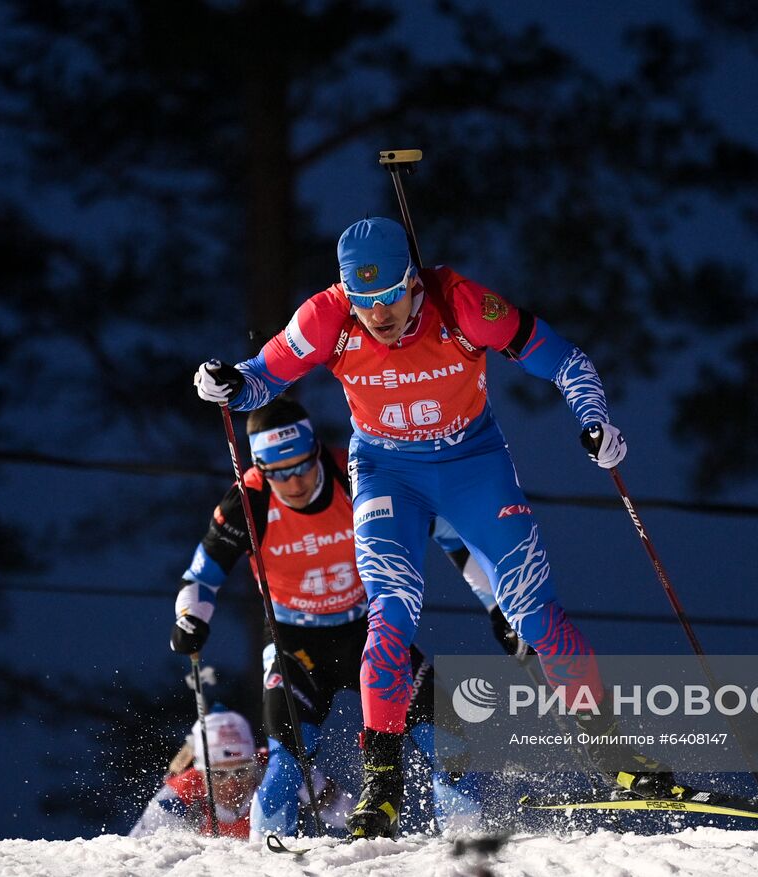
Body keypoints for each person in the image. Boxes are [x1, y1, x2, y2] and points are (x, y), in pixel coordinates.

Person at [193, 216, 681, 839]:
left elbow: (566, 360)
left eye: (390, 298)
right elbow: (261, 376)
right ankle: (384, 786)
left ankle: (614, 757)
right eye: (364, 304)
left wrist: (594, 422)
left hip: (472, 466)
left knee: (534, 614)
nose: (378, 317)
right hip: (386, 471)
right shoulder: (325, 316)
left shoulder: (464, 305)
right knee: (390, 616)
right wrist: (228, 381)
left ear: (412, 282)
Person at [169, 395, 520, 837]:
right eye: (278, 473)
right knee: (284, 768)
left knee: (448, 745)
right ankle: (257, 866)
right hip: (295, 646)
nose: (294, 483)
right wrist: (190, 618)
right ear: (260, 468)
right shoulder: (249, 500)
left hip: (369, 636)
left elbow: (453, 540)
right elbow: (200, 578)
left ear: (317, 449)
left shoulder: (357, 474)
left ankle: (466, 849)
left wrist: (498, 608)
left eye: (302, 465)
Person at [128, 708, 264, 838]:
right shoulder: (180, 794)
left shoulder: (271, 774)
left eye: (242, 772)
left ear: (255, 765)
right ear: (201, 773)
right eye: (219, 775)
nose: (232, 786)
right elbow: (139, 849)